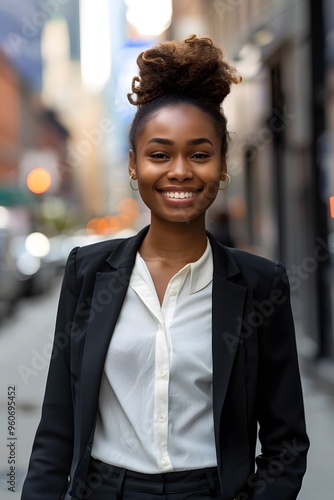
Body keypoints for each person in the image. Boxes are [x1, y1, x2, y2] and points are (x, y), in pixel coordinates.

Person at [21, 35, 309, 500]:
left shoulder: (260, 284)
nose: (180, 171)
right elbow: (57, 426)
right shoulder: (88, 273)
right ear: (134, 166)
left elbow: (286, 442)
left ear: (221, 166)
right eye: (159, 154)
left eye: (199, 154)